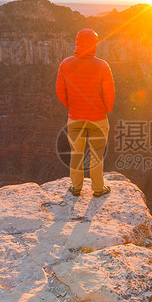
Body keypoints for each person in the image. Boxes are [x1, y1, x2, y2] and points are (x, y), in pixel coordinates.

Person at [56, 28, 115, 197]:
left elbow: (60, 93)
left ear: (77, 43)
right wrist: (105, 110)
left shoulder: (65, 64)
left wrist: (73, 106)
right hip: (98, 119)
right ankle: (98, 189)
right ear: (94, 44)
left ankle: (76, 187)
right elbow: (109, 95)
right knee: (96, 155)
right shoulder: (102, 66)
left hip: (75, 118)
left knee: (76, 153)